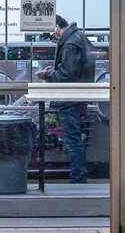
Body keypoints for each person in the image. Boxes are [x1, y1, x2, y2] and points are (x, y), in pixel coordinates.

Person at [39, 14, 97, 183]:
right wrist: (55, 69)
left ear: (57, 27)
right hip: (79, 95)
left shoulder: (70, 43)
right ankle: (79, 175)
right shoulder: (77, 36)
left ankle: (78, 178)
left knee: (72, 141)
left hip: (71, 97)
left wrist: (48, 74)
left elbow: (67, 74)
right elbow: (72, 68)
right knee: (76, 139)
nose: (52, 36)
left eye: (51, 32)